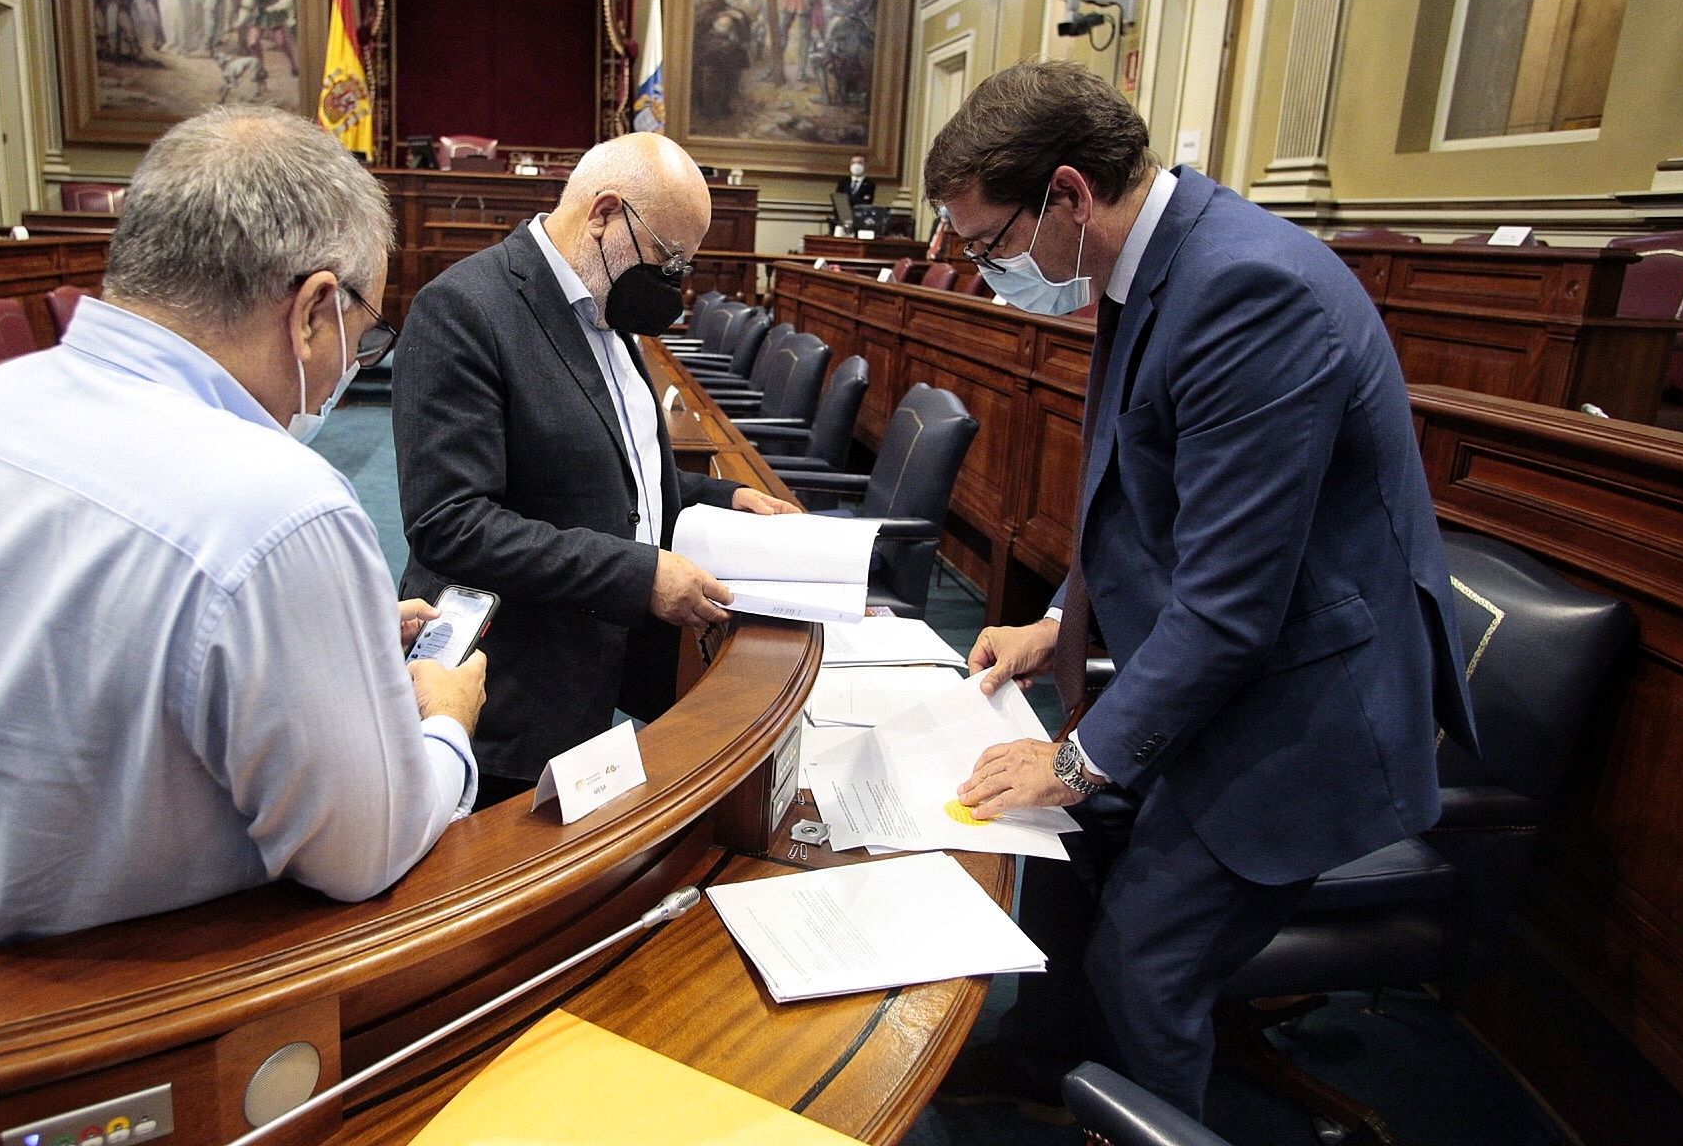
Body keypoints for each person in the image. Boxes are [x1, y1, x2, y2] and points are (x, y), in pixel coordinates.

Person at [929, 61, 1478, 1119]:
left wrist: (1077, 755)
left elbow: (1231, 603)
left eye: (990, 244)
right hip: (1222, 670)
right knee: (1062, 846)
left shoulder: (1248, 289)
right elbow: (1145, 495)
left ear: (1069, 196)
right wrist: (1055, 623)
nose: (985, 270)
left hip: (1304, 707)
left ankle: (1140, 1122)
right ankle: (1048, 1075)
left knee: (1146, 960)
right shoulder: (1158, 263)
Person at [0, 106, 486, 1028]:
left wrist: (320, 643)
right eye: (363, 326)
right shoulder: (282, 503)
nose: (357, 355)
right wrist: (445, 725)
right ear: (314, 309)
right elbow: (365, 849)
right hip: (164, 1017)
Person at [392, 132, 799, 809]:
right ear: (605, 213)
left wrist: (726, 498)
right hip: (506, 690)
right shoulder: (464, 308)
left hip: (594, 672)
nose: (671, 280)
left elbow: (620, 472)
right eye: (667, 256)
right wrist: (641, 575)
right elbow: (451, 524)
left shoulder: (610, 309)